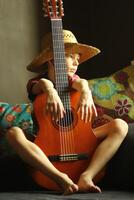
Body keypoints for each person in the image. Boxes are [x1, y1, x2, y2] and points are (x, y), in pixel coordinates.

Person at [6, 30, 128, 194]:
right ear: (52, 59)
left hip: (79, 139)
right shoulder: (38, 84)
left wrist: (85, 91)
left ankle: (87, 176)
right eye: (70, 56)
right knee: (13, 133)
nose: (76, 63)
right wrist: (50, 90)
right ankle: (58, 176)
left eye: (78, 59)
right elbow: (39, 84)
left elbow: (80, 82)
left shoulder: (74, 81)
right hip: (46, 144)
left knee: (120, 125)